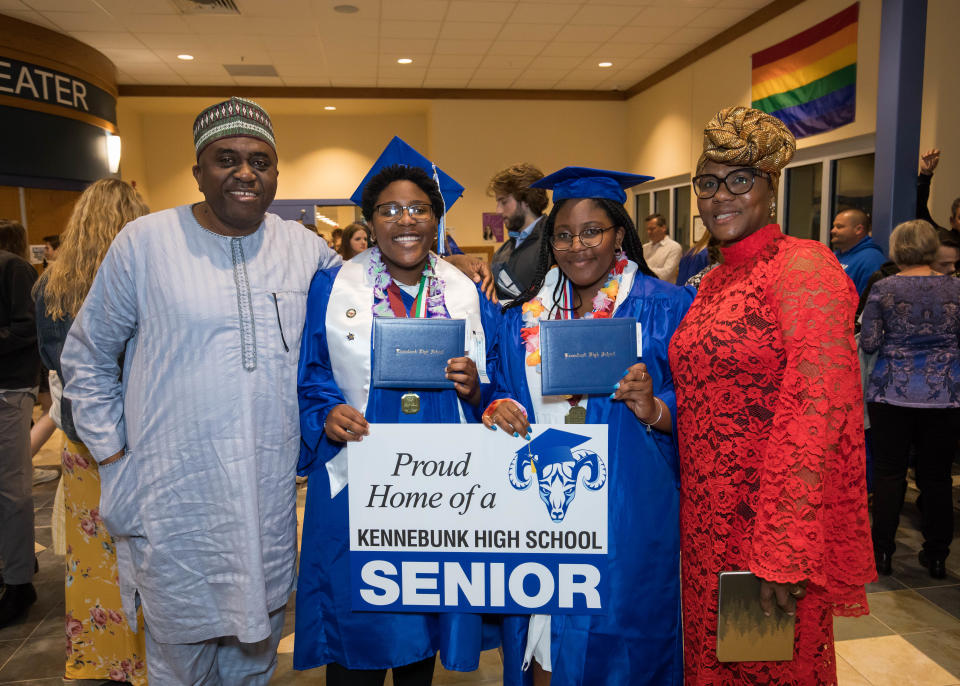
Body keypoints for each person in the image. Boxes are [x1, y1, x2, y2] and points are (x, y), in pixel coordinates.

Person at [668, 106, 875, 684]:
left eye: (739, 179)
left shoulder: (802, 268)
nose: (720, 196)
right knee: (716, 665)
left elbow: (819, 412)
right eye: (707, 183)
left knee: (764, 669)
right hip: (708, 525)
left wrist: (782, 552)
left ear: (771, 186)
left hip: (769, 533)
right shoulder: (712, 278)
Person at [295, 137, 501, 685]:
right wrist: (328, 412)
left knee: (421, 628)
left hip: (438, 488)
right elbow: (311, 372)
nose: (404, 220)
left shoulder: (464, 290)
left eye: (418, 208)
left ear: (436, 219)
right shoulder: (334, 285)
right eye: (388, 209)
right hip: (356, 478)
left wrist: (476, 387)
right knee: (355, 621)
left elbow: (498, 384)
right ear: (370, 221)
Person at [484, 166, 690, 685]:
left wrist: (655, 407)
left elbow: (705, 407)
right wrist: (496, 404)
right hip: (539, 505)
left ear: (620, 233)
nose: (578, 246)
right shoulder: (523, 315)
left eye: (592, 231)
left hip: (628, 511)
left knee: (623, 639)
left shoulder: (666, 307)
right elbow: (498, 385)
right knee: (542, 634)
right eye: (564, 234)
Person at [34, 178, 150, 684]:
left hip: (82, 442)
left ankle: (99, 657)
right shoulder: (141, 277)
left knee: (93, 557)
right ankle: (149, 659)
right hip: (141, 438)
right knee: (145, 550)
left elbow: (52, 363)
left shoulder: (49, 287)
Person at [861, 219, 960, 580]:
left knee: (890, 476)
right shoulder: (957, 289)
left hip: (892, 393)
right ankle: (936, 556)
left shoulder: (885, 289)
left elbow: (869, 341)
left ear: (898, 248)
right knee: (936, 478)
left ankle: (882, 553)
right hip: (945, 395)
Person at [0, 219, 41, 627]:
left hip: (9, 391)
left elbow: (28, 329)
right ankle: (16, 562)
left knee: (12, 489)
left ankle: (17, 584)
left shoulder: (12, 268)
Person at [489, 163, 549, 302]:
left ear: (526, 200)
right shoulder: (501, 253)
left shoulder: (553, 243)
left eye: (503, 202)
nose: (498, 210)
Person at [831, 208, 887, 296]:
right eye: (833, 226)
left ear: (858, 229)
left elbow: (869, 302)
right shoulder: (833, 256)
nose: (833, 231)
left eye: (839, 227)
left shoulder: (872, 259)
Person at [642, 213, 682, 282]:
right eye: (647, 229)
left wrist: (643, 269)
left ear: (663, 228)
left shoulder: (674, 247)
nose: (649, 232)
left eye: (652, 229)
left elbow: (665, 274)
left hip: (664, 290)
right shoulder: (645, 248)